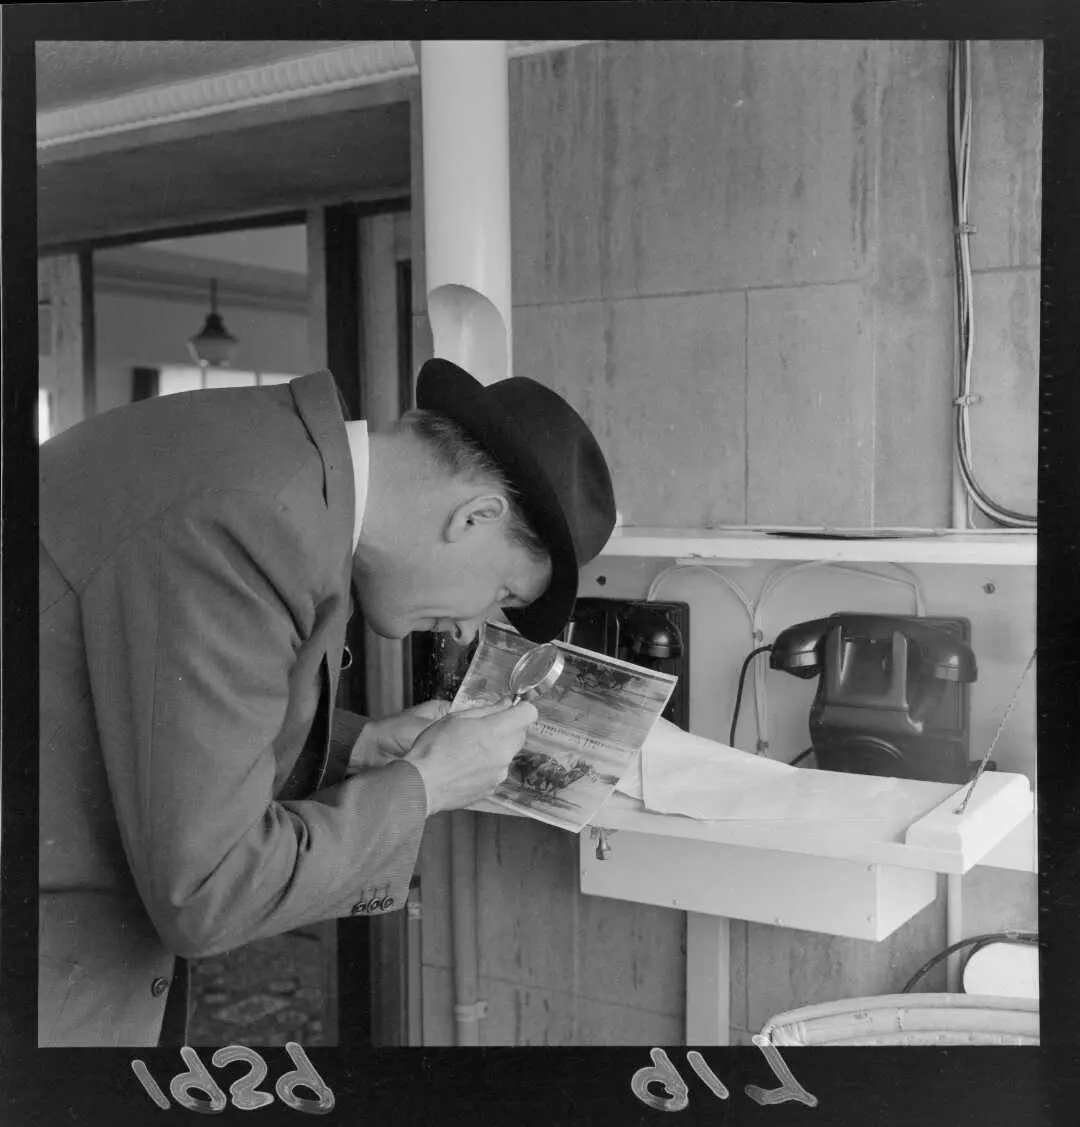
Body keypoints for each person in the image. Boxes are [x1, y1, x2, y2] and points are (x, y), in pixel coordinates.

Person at [38, 357, 616, 1047]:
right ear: (475, 516)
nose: (469, 626)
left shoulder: (274, 463)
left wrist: (363, 747)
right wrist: (424, 786)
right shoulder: (252, 522)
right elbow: (209, 892)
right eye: (504, 596)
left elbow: (163, 716)